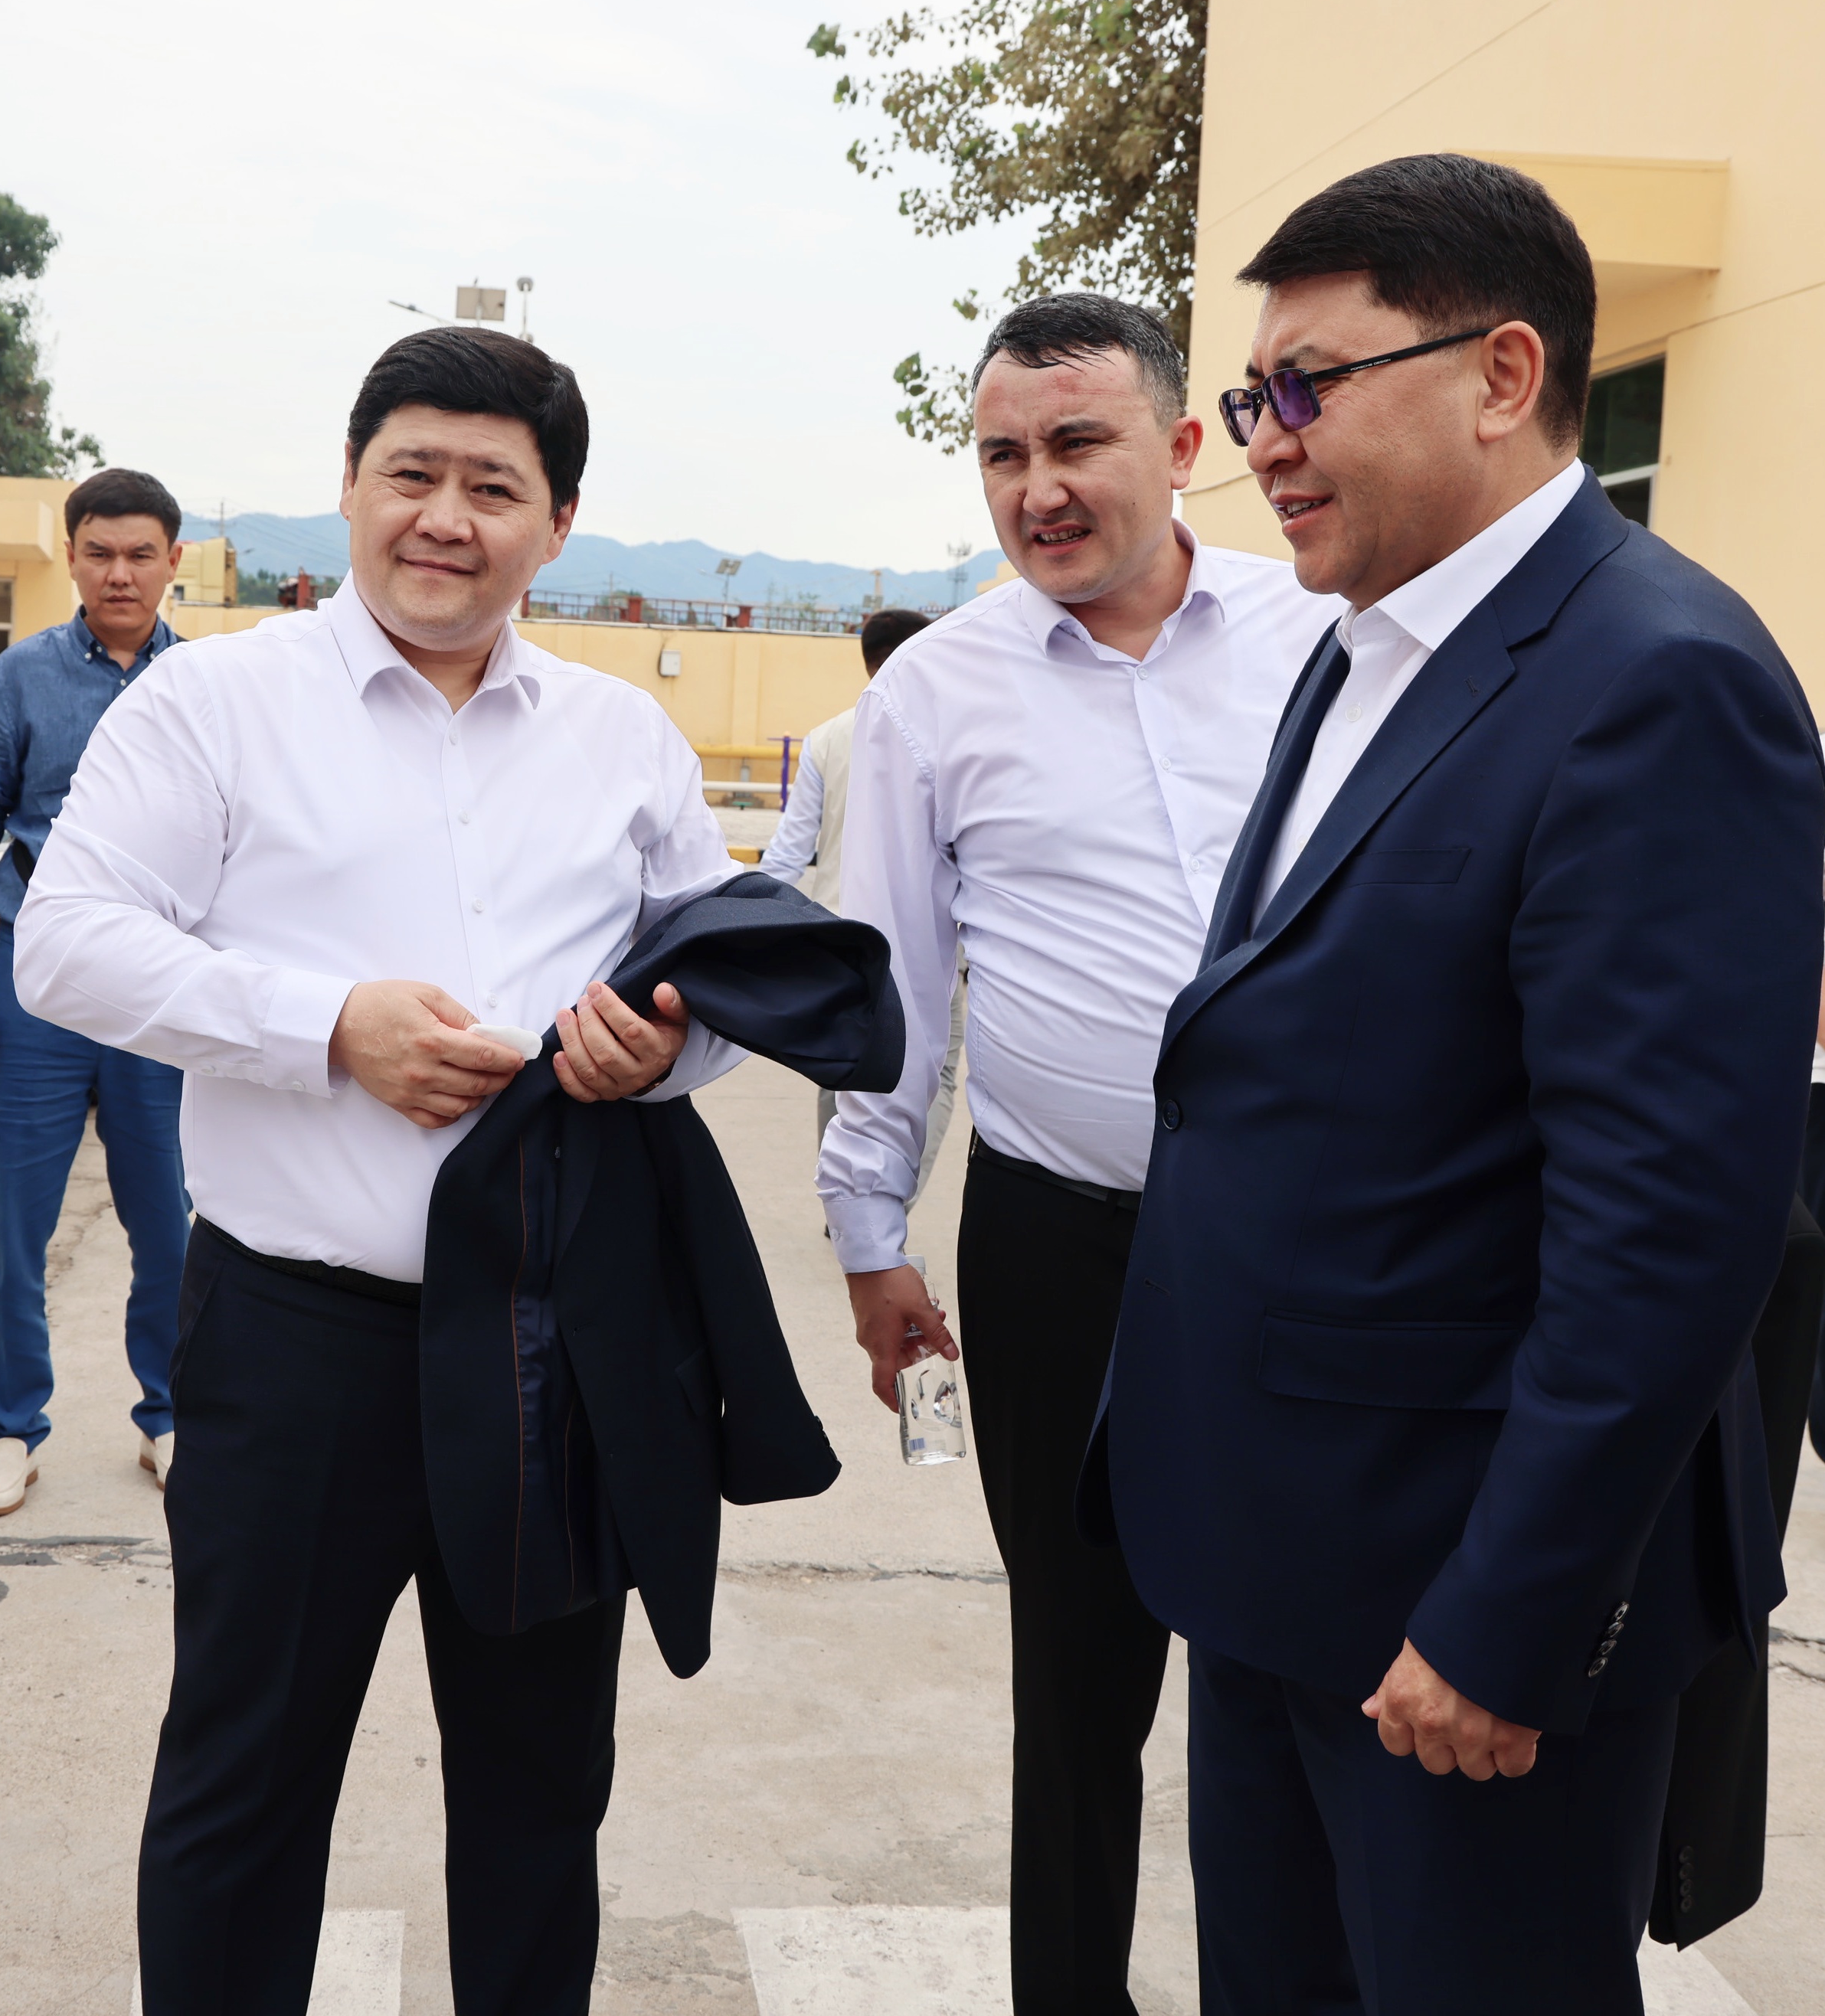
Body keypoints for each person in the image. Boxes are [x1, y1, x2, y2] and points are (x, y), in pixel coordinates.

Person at [1093, 155, 1820, 2014]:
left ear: (1502, 375)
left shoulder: (1657, 680)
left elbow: (1668, 1229)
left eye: (1309, 384)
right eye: (1253, 395)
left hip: (1462, 1616)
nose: (1266, 440)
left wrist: (1510, 1616)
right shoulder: (1369, 647)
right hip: (1283, 1559)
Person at [13, 328, 748, 2014]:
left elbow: (717, 984)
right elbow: (68, 942)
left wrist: (664, 1049)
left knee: (540, 1789)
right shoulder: (216, 702)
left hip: (550, 1342)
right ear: (348, 485)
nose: (445, 516)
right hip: (296, 1344)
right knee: (244, 1780)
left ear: (557, 522)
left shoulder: (622, 739)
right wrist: (327, 1026)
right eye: (412, 472)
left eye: (494, 486)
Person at [820, 292, 1338, 2016]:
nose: (1035, 487)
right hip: (1060, 1251)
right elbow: (895, 988)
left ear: (1182, 449)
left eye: (1075, 443)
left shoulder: (1322, 636)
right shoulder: (933, 694)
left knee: (1311, 1653)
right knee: (1077, 1671)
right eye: (1001, 454)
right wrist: (871, 1236)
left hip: (1316, 1242)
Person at [0, 467, 192, 1514]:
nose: (120, 573)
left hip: (157, 976)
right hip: (35, 969)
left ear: (173, 561)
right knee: (15, 1226)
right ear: (72, 557)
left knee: (168, 1223)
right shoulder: (22, 676)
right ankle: (10, 1429)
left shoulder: (204, 685)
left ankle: (169, 1415)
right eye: (100, 553)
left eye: (140, 554)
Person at [761, 606, 963, 1198]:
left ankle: (846, 1200)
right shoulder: (954, 734)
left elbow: (787, 854)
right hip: (932, 944)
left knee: (844, 1072)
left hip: (843, 942)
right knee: (936, 1073)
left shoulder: (828, 736)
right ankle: (891, 1204)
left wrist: (762, 934)